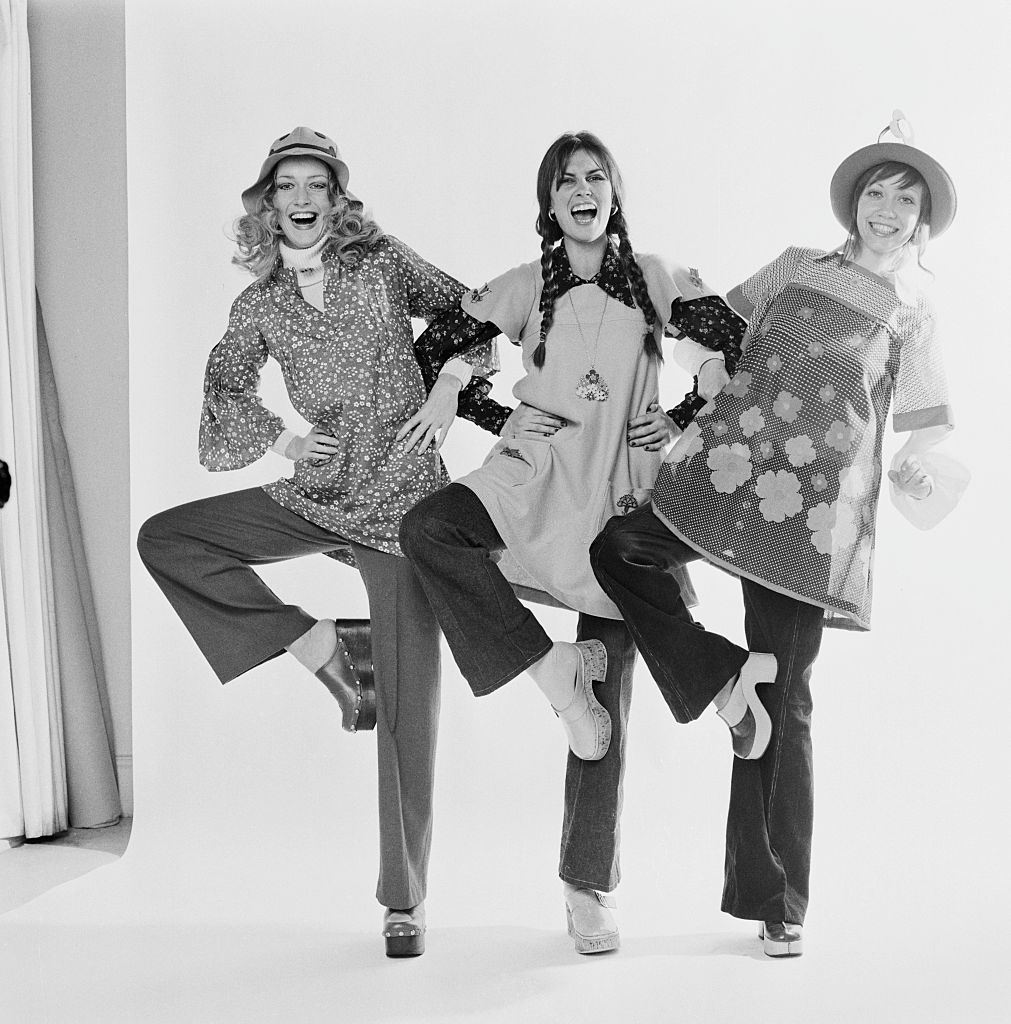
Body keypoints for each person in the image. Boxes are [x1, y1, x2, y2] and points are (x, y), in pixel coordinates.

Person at [589, 114, 964, 957]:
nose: (888, 208)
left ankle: (777, 898)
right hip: (725, 470)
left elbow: (924, 428)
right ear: (854, 201)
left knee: (786, 704)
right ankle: (723, 678)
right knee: (619, 551)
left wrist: (909, 467)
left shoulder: (912, 315)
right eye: (877, 191)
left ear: (921, 221)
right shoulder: (796, 266)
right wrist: (713, 367)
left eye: (906, 200)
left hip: (816, 516)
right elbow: (701, 326)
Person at [399, 130, 763, 954]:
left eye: (595, 176)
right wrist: (491, 408)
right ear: (548, 202)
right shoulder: (527, 283)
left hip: (617, 491)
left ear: (614, 192)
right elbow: (434, 348)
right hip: (531, 475)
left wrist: (678, 413)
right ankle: (548, 671)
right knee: (429, 529)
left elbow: (736, 346)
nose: (581, 189)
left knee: (612, 705)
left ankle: (584, 887)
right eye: (566, 181)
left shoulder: (656, 279)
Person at [136, 127, 495, 958]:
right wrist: (286, 442)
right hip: (320, 494)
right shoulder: (259, 303)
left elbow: (470, 309)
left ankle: (402, 901)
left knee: (408, 708)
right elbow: (224, 384)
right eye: (285, 186)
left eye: (315, 185)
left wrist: (447, 384)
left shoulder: (380, 264)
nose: (300, 199)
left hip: (407, 507)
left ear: (337, 200)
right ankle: (323, 644)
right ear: (267, 204)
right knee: (172, 539)